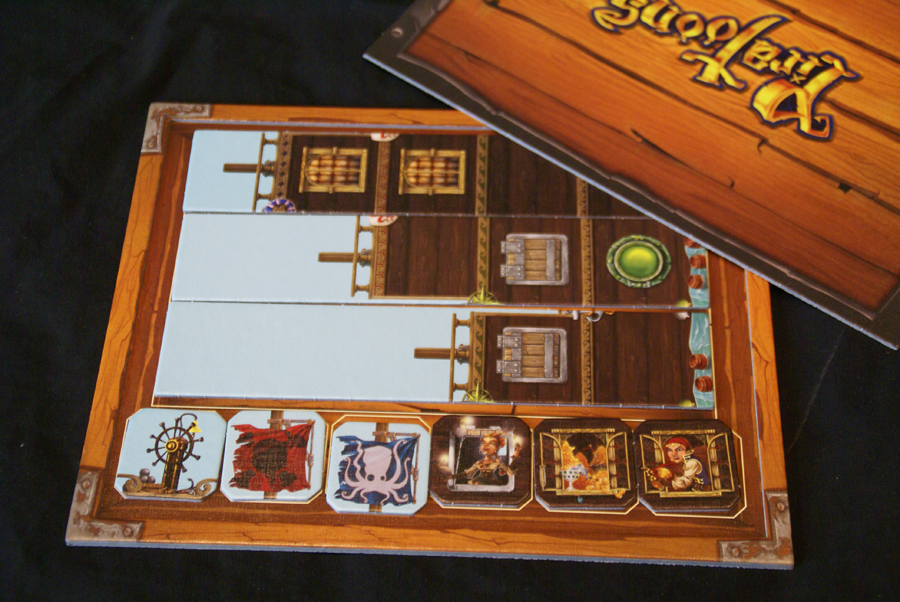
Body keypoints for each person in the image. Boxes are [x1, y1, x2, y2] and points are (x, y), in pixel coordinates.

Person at [646, 436, 710, 492]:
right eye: (670, 450)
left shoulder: (692, 463)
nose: (674, 454)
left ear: (687, 451)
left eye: (679, 449)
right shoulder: (680, 464)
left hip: (702, 494)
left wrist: (665, 483)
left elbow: (683, 484)